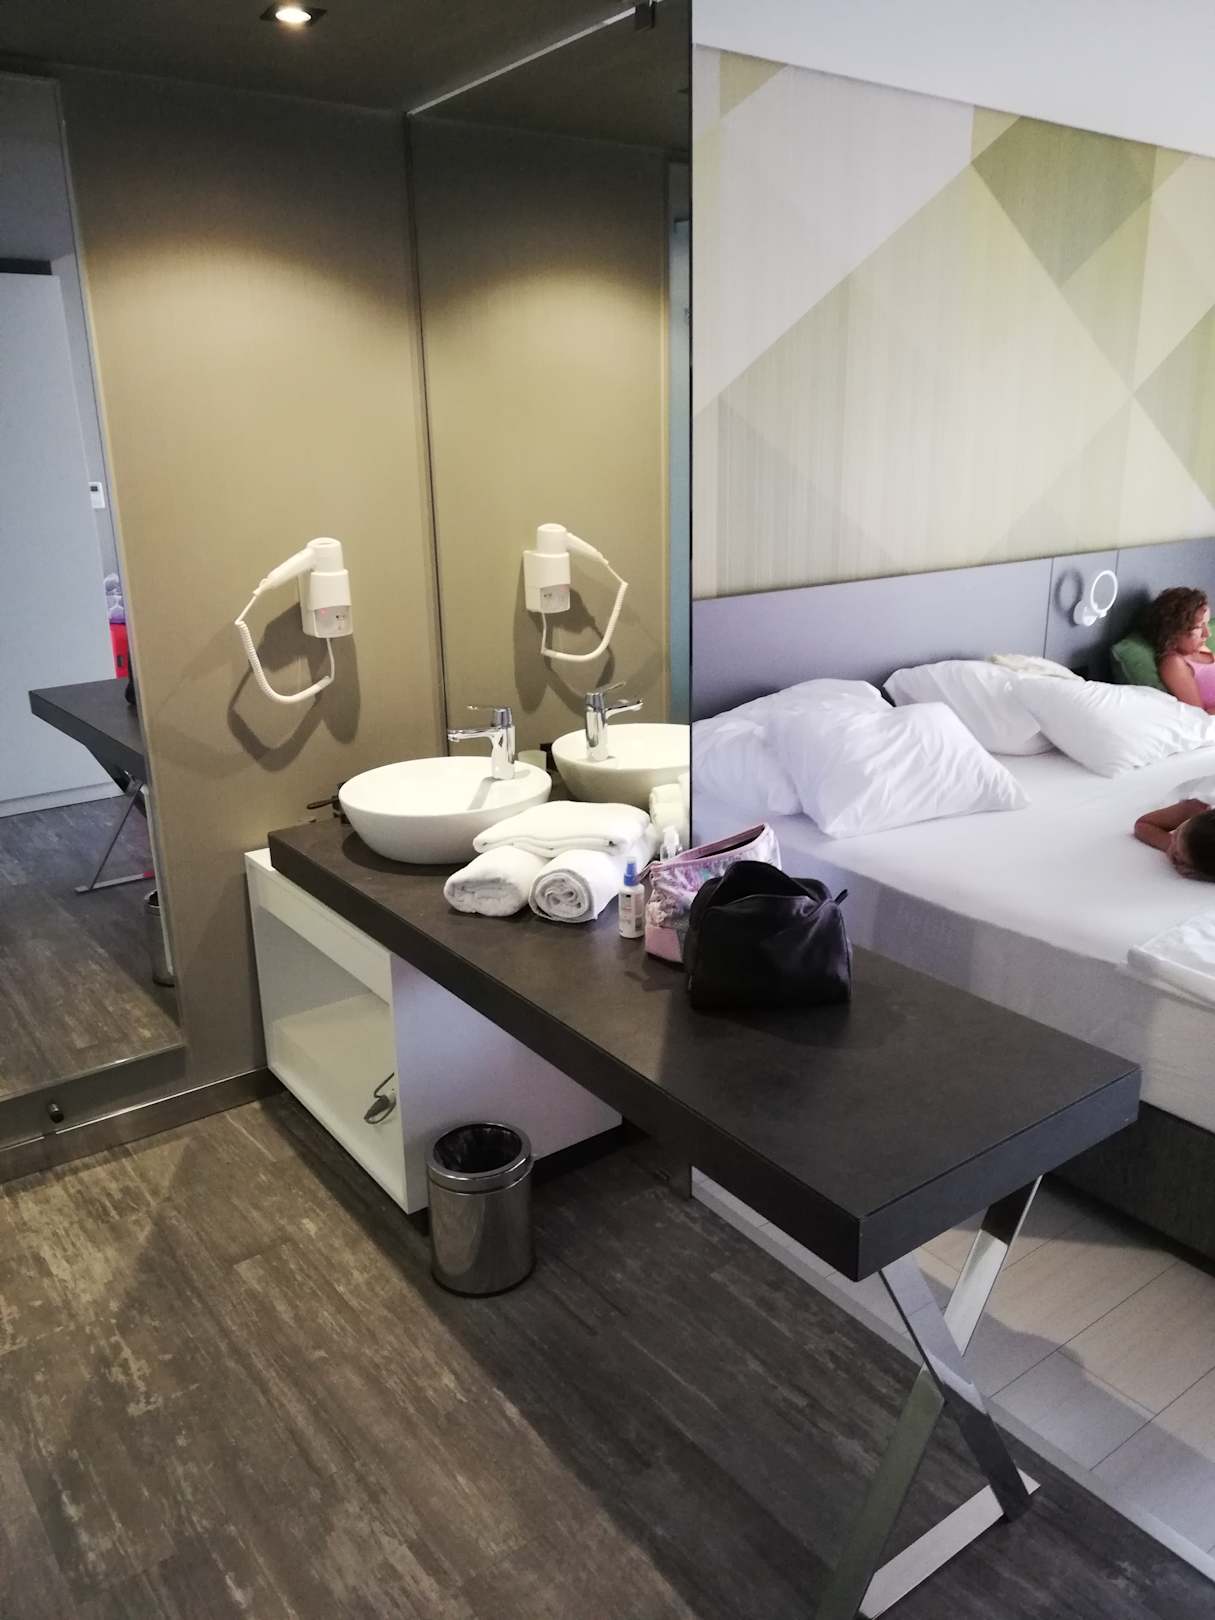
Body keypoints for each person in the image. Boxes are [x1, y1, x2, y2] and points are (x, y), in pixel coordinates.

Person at [1140, 587, 1215, 711]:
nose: (1207, 634)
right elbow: (1198, 716)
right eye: (1198, 627)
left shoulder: (1198, 647)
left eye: (1206, 624)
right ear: (1173, 632)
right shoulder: (1174, 663)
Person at [1134, 798, 1215, 879]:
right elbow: (1143, 823)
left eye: (1179, 857)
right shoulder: (1196, 806)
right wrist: (1168, 844)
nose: (1173, 841)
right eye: (1176, 834)